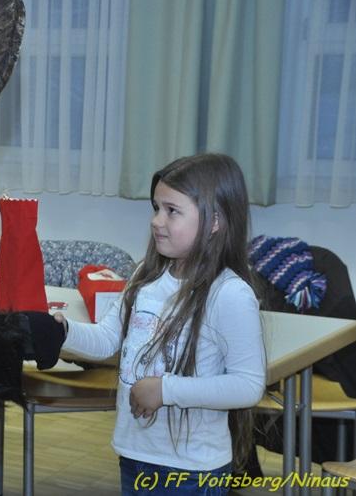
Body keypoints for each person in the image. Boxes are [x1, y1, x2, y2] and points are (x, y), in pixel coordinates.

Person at [54, 153, 266, 495]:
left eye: (172, 210)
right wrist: (61, 331)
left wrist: (165, 390)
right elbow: (108, 338)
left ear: (214, 221)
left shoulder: (230, 294)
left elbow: (248, 385)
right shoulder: (146, 274)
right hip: (134, 455)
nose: (156, 221)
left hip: (192, 471)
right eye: (156, 208)